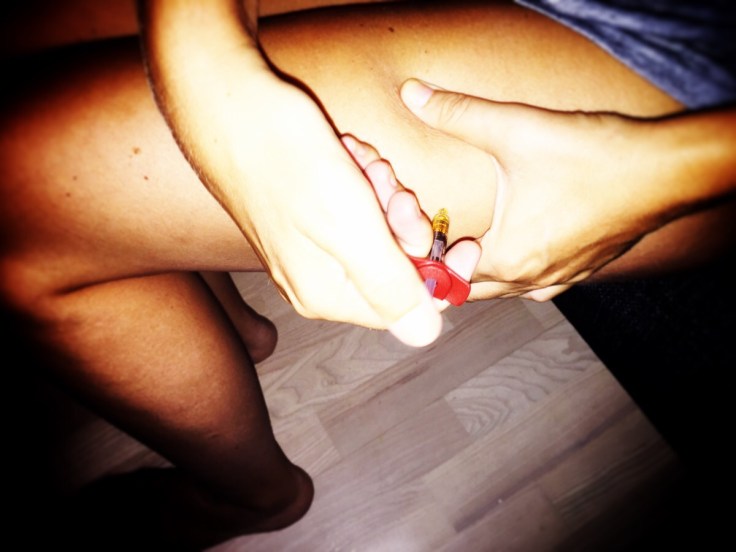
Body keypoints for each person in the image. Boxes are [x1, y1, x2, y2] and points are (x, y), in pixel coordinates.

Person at [1, 0, 733, 549]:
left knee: (18, 202)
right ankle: (226, 319)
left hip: (691, 72)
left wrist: (671, 164)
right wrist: (197, 48)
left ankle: (256, 496)